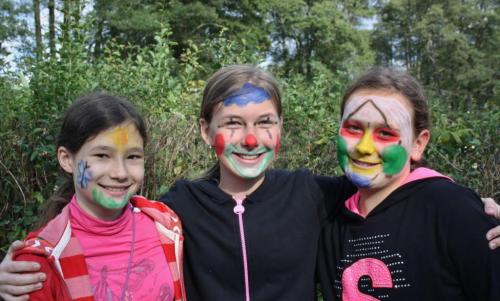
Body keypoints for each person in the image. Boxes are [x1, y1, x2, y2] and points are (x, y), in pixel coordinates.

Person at [1, 65, 499, 301]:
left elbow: (389, 187)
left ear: (281, 129)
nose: (250, 138)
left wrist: (465, 202)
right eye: (232, 123)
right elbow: (99, 224)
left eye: (266, 122)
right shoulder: (176, 210)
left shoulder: (312, 193)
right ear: (205, 130)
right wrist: (14, 272)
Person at [316, 67, 500, 300]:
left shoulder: (451, 210)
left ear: (418, 144)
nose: (364, 147)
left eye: (384, 134)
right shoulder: (326, 213)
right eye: (353, 128)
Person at [4, 93, 186, 301]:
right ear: (67, 159)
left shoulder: (165, 224)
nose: (120, 173)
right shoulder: (38, 263)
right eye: (101, 155)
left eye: (133, 156)